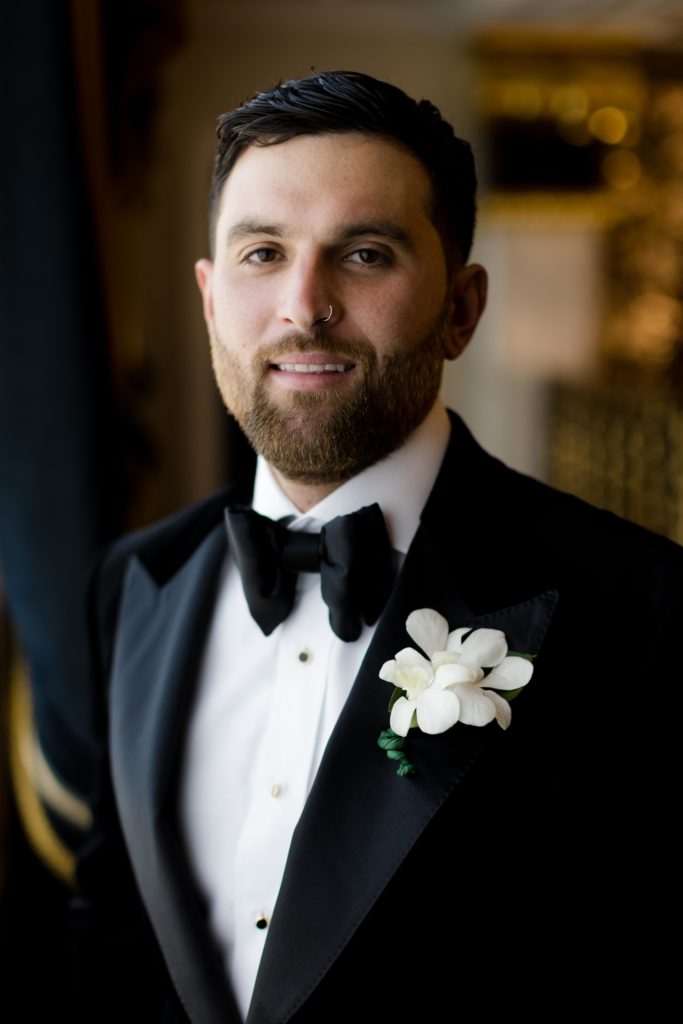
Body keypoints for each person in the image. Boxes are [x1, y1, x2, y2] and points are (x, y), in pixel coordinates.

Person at [77, 71, 683, 1024]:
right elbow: (111, 931)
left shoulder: (639, 608)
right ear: (206, 298)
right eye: (262, 252)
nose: (303, 304)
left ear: (461, 308)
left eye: (363, 254)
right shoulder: (135, 584)